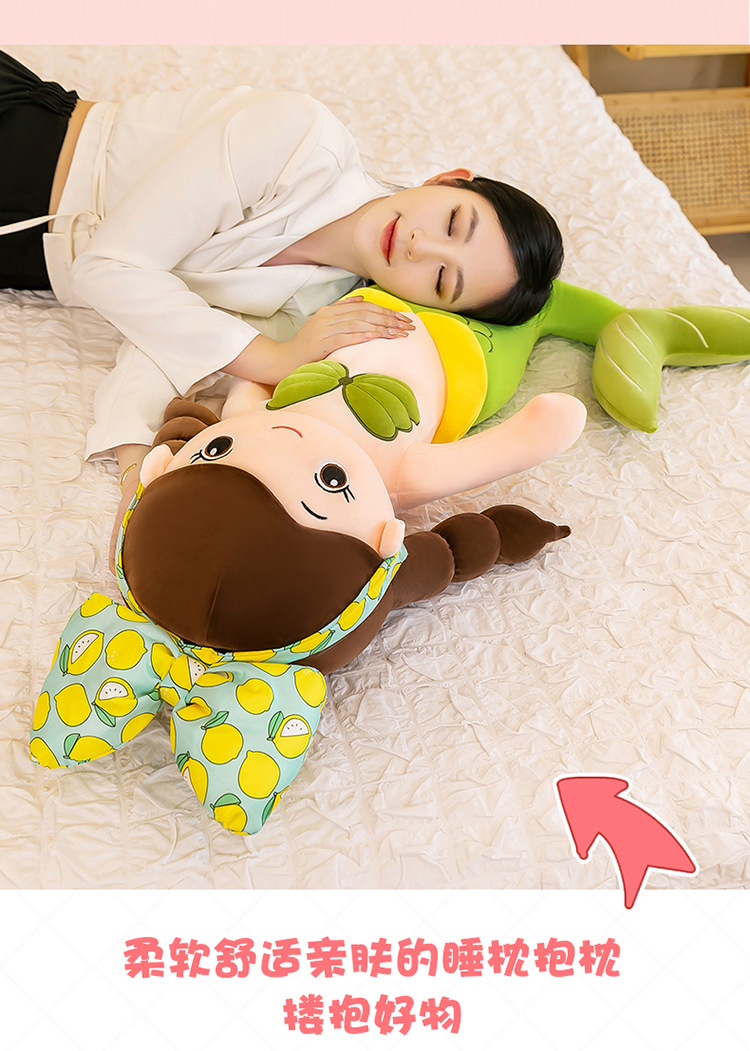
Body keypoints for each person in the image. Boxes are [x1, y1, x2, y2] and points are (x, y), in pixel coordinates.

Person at [0, 50, 564, 509]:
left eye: (442, 279)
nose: (421, 246)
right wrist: (272, 358)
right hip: (27, 145)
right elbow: (108, 268)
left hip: (22, 259)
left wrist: (137, 477)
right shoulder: (299, 140)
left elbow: (165, 337)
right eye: (453, 222)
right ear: (448, 179)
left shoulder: (320, 309)